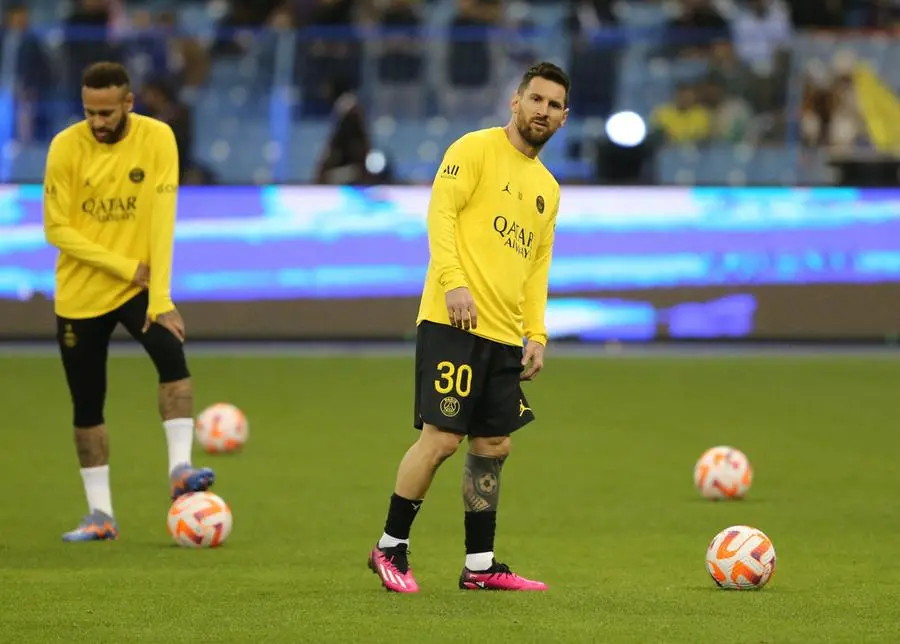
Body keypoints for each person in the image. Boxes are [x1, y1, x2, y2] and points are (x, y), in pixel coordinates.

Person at [367, 61, 569, 592]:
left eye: (553, 105)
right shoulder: (473, 149)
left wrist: (537, 333)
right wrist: (453, 282)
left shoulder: (548, 188)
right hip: (453, 320)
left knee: (494, 444)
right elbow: (441, 215)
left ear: (564, 118)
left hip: (504, 333)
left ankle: (479, 567)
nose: (542, 111)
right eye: (536, 99)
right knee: (441, 440)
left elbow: (536, 268)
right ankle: (390, 547)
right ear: (516, 101)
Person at [42, 62, 215, 542]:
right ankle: (101, 515)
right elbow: (57, 228)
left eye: (106, 111)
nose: (97, 121)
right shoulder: (64, 147)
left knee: (172, 358)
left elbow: (162, 219)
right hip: (81, 294)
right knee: (87, 402)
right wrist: (123, 265)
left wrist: (160, 295)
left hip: (140, 290)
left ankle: (180, 468)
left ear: (128, 103)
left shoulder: (158, 139)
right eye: (89, 112)